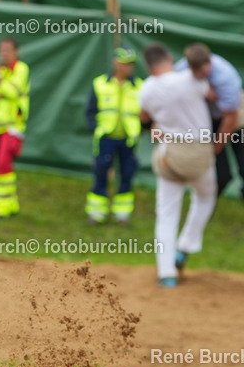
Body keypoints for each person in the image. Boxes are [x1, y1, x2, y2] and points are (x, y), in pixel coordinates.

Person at [139, 43, 216, 287]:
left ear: (149, 67)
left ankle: (166, 273)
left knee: (166, 213)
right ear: (169, 58)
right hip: (197, 152)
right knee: (205, 197)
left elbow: (144, 117)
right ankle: (184, 247)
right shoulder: (189, 80)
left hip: (169, 153)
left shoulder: (146, 88)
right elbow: (214, 96)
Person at [174, 44, 242, 199]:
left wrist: (214, 149)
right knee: (220, 174)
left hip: (234, 118)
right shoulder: (180, 71)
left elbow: (230, 118)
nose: (198, 76)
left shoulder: (226, 76)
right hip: (208, 121)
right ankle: (207, 204)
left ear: (210, 62)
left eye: (203, 72)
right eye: (195, 72)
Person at [84, 47, 142, 224]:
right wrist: (95, 129)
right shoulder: (99, 84)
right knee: (101, 171)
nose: (128, 67)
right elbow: (90, 111)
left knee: (127, 173)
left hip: (129, 139)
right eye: (125, 63)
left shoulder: (140, 86)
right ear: (116, 63)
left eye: (131, 64)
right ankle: (96, 212)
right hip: (105, 138)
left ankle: (122, 213)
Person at [0, 37, 30, 218]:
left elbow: (13, 92)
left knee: (4, 163)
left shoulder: (21, 69)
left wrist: (0, 79)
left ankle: (2, 207)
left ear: (16, 52)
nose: (4, 53)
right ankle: (11, 203)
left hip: (12, 127)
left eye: (8, 50)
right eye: (1, 50)